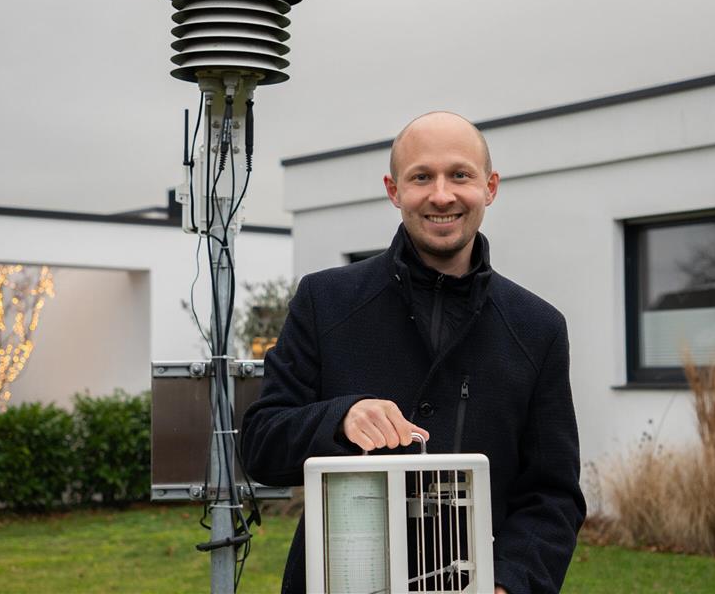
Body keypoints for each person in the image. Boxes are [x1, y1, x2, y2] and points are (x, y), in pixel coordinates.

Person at [242, 111, 585, 593]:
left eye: (459, 175)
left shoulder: (538, 328)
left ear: (490, 187)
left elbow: (553, 496)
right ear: (393, 189)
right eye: (421, 176)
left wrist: (509, 584)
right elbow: (260, 443)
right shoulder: (325, 301)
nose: (441, 195)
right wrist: (340, 419)